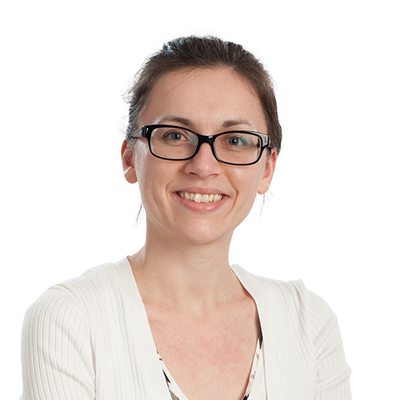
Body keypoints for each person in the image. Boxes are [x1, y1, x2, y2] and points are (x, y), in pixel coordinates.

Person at [21, 34, 352, 400]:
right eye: (176, 135)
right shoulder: (70, 319)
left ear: (267, 168)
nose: (203, 165)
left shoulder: (309, 323)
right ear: (129, 158)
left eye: (235, 140)